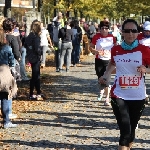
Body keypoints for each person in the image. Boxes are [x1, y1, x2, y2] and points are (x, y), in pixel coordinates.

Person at [99, 19, 150, 150]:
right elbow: (112, 64)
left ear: (138, 32)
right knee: (125, 130)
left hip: (138, 96)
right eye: (127, 31)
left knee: (132, 130)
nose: (130, 34)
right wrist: (105, 76)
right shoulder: (116, 49)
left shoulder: (144, 50)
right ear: (122, 32)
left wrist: (146, 69)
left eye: (133, 30)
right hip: (118, 94)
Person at [90, 21, 116, 106]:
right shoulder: (96, 37)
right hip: (99, 61)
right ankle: (102, 91)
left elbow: (116, 48)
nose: (104, 30)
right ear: (100, 29)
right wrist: (96, 51)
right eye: (103, 28)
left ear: (109, 29)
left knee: (106, 80)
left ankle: (107, 98)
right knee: (101, 79)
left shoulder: (112, 37)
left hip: (109, 61)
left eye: (106, 28)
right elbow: (90, 47)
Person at [2, 18, 21, 119]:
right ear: (12, 27)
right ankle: (8, 112)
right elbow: (17, 52)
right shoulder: (12, 38)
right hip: (10, 65)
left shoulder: (2, 37)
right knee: (9, 89)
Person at [0, 25, 18, 128]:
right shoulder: (6, 47)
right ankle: (6, 121)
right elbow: (12, 62)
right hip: (4, 72)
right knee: (5, 96)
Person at [25, 20, 43, 100]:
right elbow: (37, 49)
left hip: (31, 56)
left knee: (36, 76)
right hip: (35, 57)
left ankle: (38, 92)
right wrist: (40, 53)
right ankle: (32, 93)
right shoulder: (36, 37)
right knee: (35, 76)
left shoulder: (30, 36)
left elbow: (26, 44)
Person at [137, 21, 150, 104]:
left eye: (149, 31)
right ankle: (144, 95)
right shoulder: (139, 37)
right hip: (142, 60)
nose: (147, 32)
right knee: (142, 77)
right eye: (146, 31)